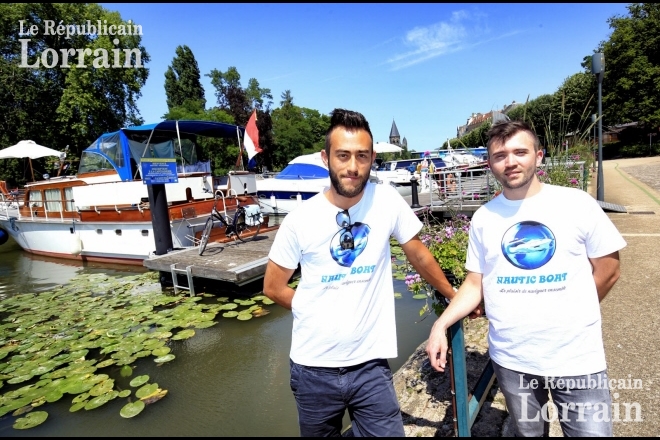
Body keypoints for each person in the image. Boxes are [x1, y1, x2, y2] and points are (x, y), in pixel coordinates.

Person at [263, 108, 457, 437]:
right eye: (343, 155)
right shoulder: (300, 220)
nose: (352, 167)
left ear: (372, 158)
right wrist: (314, 311)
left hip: (370, 367)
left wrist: (454, 297)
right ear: (326, 158)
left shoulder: (387, 201)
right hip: (313, 369)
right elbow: (273, 286)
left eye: (361, 156)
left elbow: (418, 254)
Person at [425, 120, 626, 437]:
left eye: (520, 151)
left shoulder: (576, 204)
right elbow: (475, 282)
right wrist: (441, 324)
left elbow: (609, 270)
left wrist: (573, 313)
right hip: (512, 359)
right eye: (500, 155)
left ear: (539, 156)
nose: (511, 161)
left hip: (576, 357)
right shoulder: (484, 218)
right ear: (490, 163)